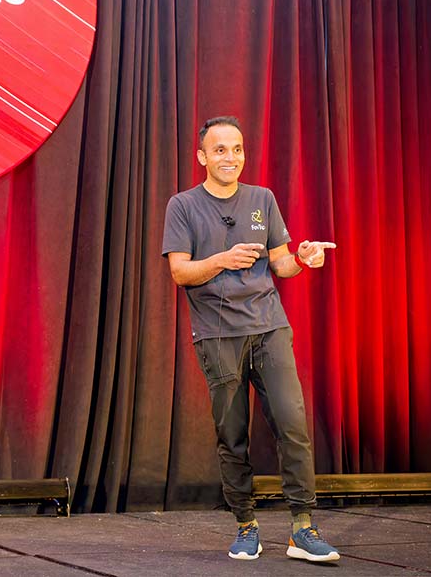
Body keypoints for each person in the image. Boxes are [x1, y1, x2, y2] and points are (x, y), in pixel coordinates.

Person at [162, 116, 340, 562]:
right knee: (232, 433)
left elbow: (281, 264)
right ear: (202, 157)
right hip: (218, 335)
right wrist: (222, 260)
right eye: (220, 150)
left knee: (292, 424)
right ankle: (246, 525)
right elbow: (180, 271)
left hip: (269, 327)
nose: (231, 158)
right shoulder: (182, 206)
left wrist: (303, 258)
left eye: (237, 149)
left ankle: (302, 528)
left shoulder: (263, 199)